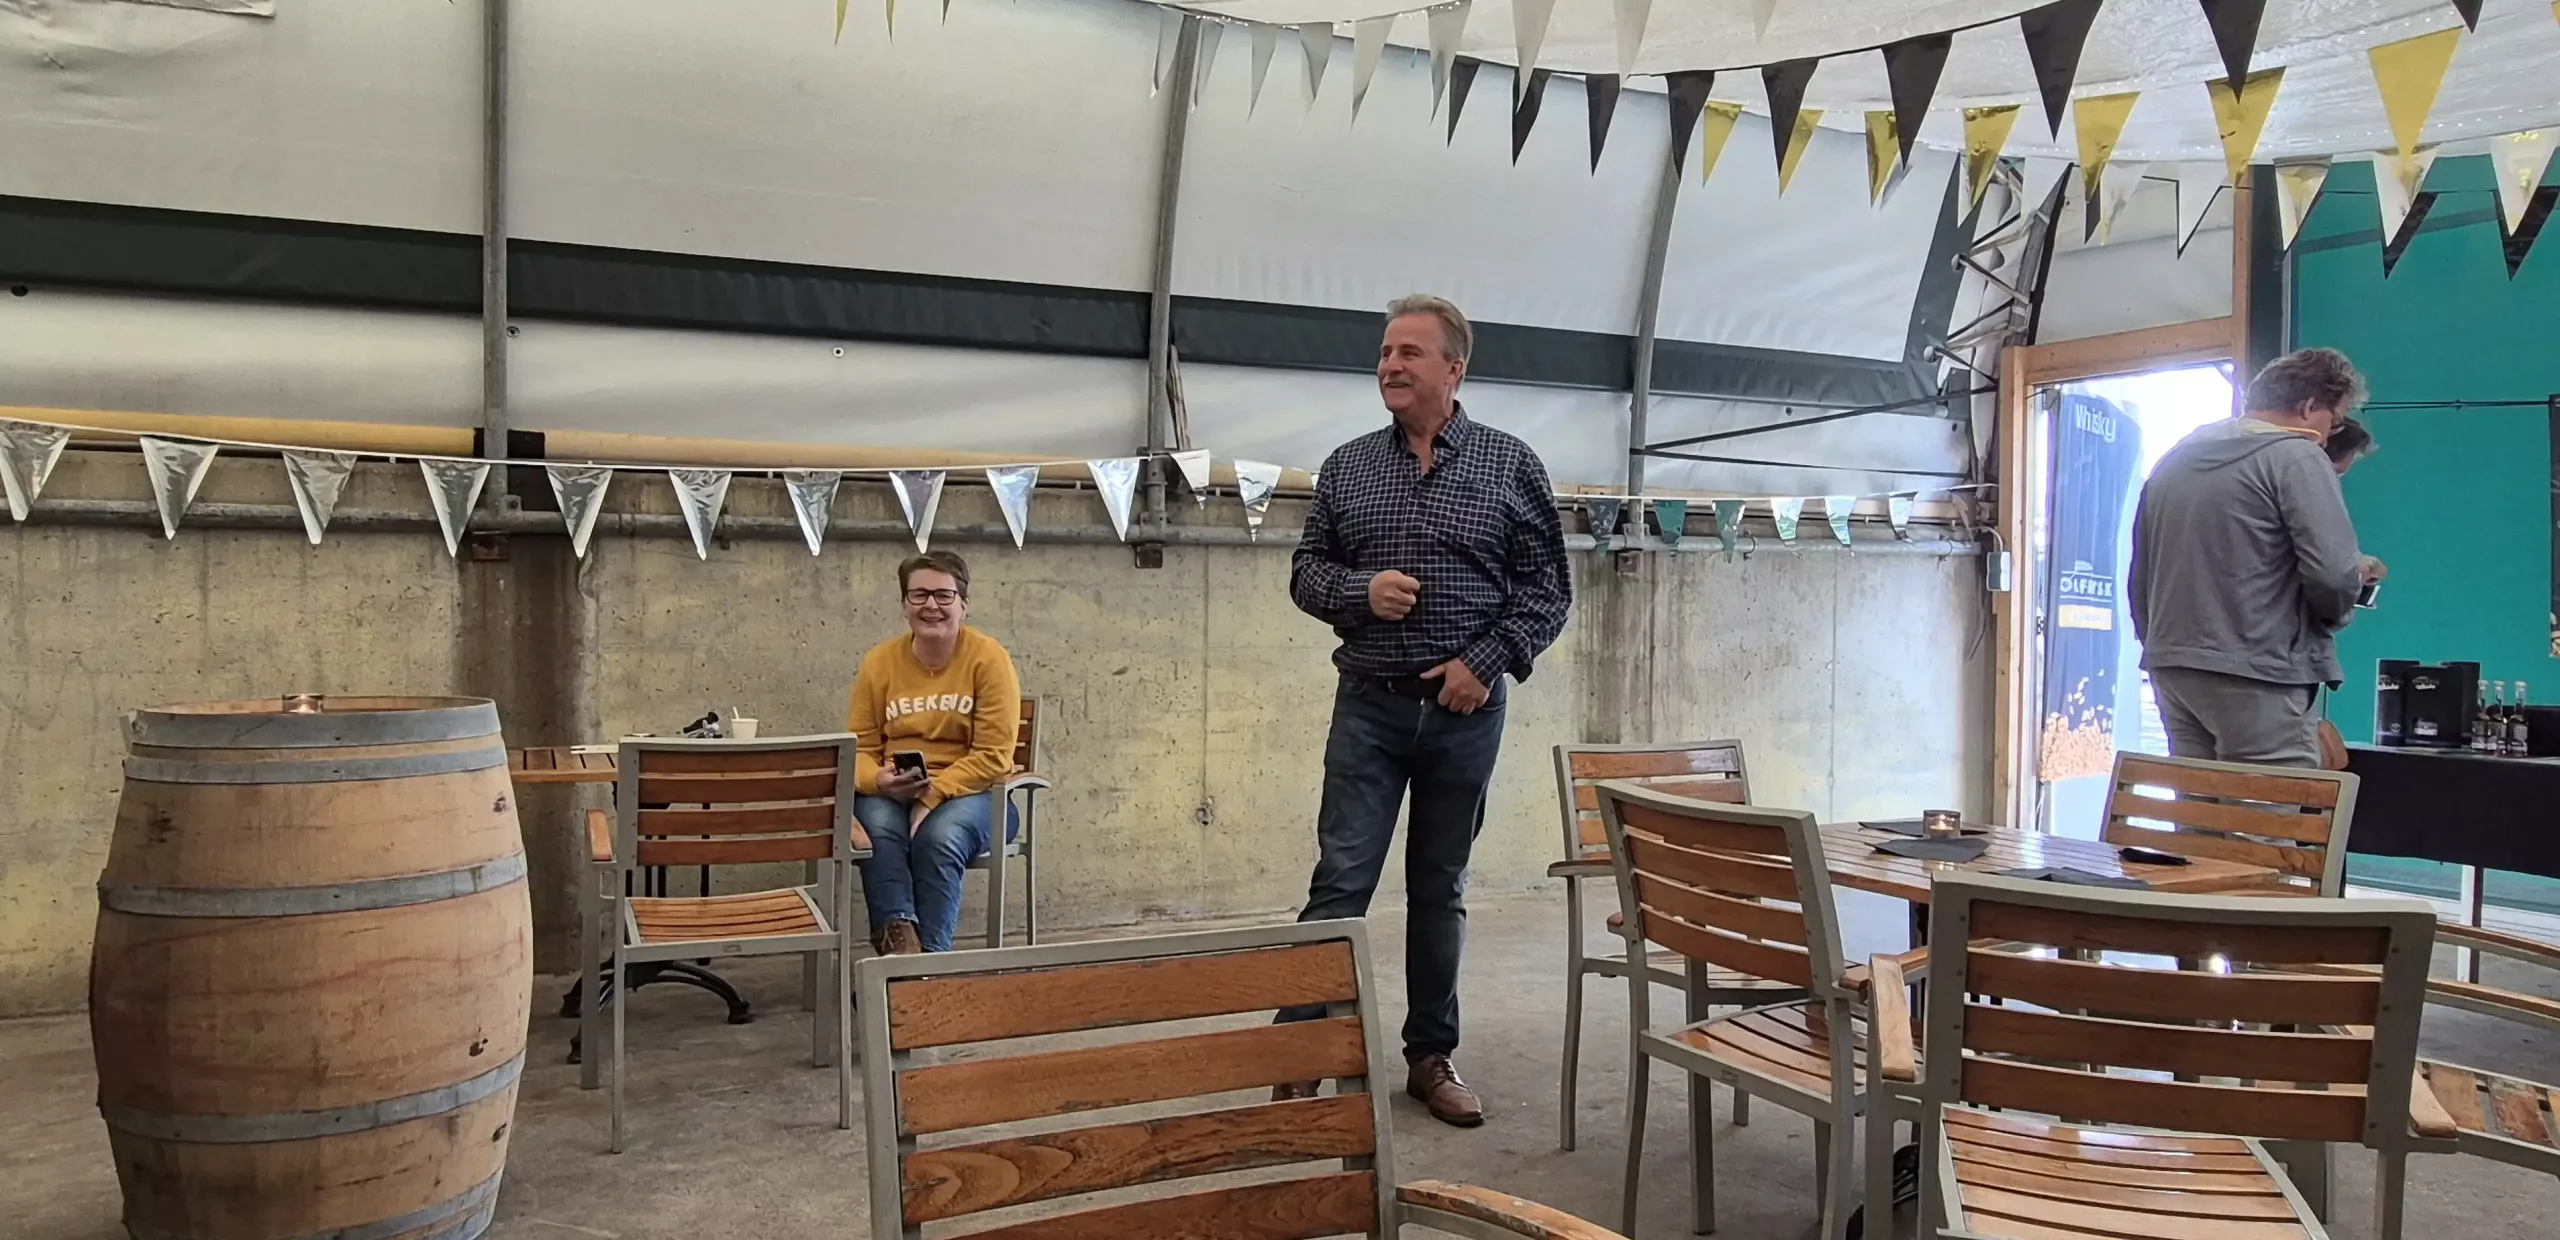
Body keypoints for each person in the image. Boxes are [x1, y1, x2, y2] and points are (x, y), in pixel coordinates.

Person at [1275, 294, 1572, 1127]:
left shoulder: (1510, 464)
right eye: (1384, 352)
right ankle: (1299, 1052)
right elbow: (1306, 574)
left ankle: (1430, 1058)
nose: (1390, 365)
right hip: (1369, 708)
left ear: (1453, 368)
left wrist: (1485, 662)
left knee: (1440, 890)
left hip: (1465, 716)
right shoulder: (1347, 467)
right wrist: (1359, 591)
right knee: (1340, 884)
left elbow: (1547, 591)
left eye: (1409, 352)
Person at [2127, 348, 2385, 767]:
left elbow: (2141, 576)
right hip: (2260, 672)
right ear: (2309, 407)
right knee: (2268, 808)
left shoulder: (2175, 459)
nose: (2327, 436)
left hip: (2173, 667)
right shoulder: (2296, 455)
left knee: (2196, 804)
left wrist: (2165, 646)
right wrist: (2339, 608)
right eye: (2334, 420)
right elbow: (2332, 575)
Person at [844, 551, 1021, 954]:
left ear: (964, 605)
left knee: (938, 837)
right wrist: (878, 780)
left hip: (979, 796)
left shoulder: (988, 659)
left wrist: (932, 795)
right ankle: (901, 947)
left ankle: (930, 967)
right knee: (877, 830)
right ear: (904, 604)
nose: (931, 605)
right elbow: (859, 748)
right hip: (894, 791)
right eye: (919, 594)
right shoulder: (879, 663)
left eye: (944, 595)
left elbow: (995, 755)